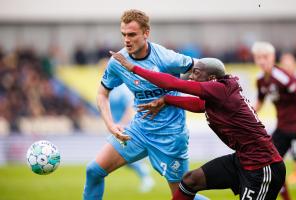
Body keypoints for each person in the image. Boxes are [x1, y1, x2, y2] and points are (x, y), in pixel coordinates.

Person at [111, 52, 286, 200]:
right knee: (190, 180)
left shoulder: (219, 89)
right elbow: (199, 106)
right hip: (243, 159)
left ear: (211, 79)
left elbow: (172, 83)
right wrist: (167, 100)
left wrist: (133, 68)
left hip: (263, 167)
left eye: (196, 73)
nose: (192, 77)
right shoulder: (219, 93)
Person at [83, 9, 208, 200]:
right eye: (124, 34)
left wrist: (186, 92)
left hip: (170, 136)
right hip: (138, 131)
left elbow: (205, 69)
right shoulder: (118, 62)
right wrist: (110, 125)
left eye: (132, 34)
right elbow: (102, 94)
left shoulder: (166, 58)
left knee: (182, 197)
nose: (126, 40)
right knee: (93, 170)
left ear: (146, 33)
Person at [252, 42, 296, 200]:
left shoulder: (282, 77)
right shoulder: (260, 80)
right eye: (258, 57)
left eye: (265, 57)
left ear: (273, 58)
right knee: (271, 165)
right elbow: (258, 103)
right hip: (283, 129)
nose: (262, 61)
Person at [109, 84, 154, 193]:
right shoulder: (110, 88)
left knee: (121, 155)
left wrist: (123, 124)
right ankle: (143, 170)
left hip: (125, 128)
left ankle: (145, 175)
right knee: (121, 157)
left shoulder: (123, 89)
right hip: (115, 128)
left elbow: (130, 107)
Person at [279, 53, 296, 185]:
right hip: (283, 129)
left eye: (289, 65)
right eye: (284, 65)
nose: (287, 68)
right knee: (272, 163)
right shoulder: (280, 82)